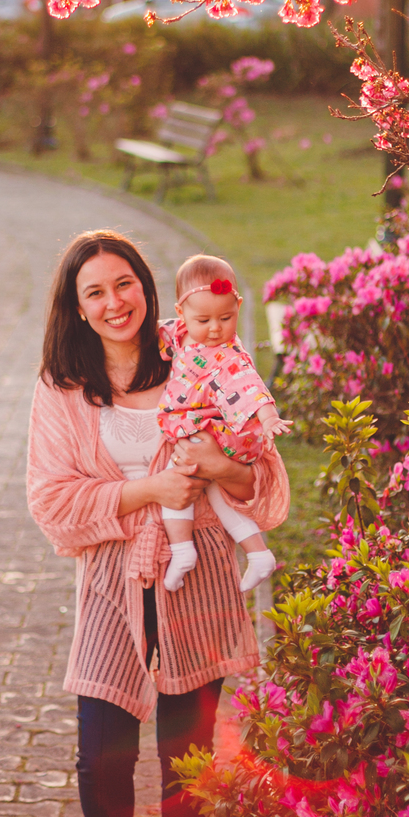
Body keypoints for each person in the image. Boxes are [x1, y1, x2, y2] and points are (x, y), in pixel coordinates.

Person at [26, 229, 289, 817]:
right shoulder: (62, 386)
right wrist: (151, 490)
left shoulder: (204, 355)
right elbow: (52, 502)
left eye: (125, 284)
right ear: (76, 309)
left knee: (190, 753)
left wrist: (217, 468)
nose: (115, 303)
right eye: (95, 292)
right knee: (100, 757)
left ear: (150, 287)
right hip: (113, 580)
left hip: (198, 570)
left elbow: (262, 480)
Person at [156, 252, 288, 596]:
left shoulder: (228, 356)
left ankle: (182, 550)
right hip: (205, 428)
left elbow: (250, 386)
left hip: (221, 434)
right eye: (204, 320)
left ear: (238, 308)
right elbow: (162, 336)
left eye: (226, 317)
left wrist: (269, 416)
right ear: (182, 312)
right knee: (216, 491)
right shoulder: (183, 331)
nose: (215, 328)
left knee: (177, 476)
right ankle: (259, 554)